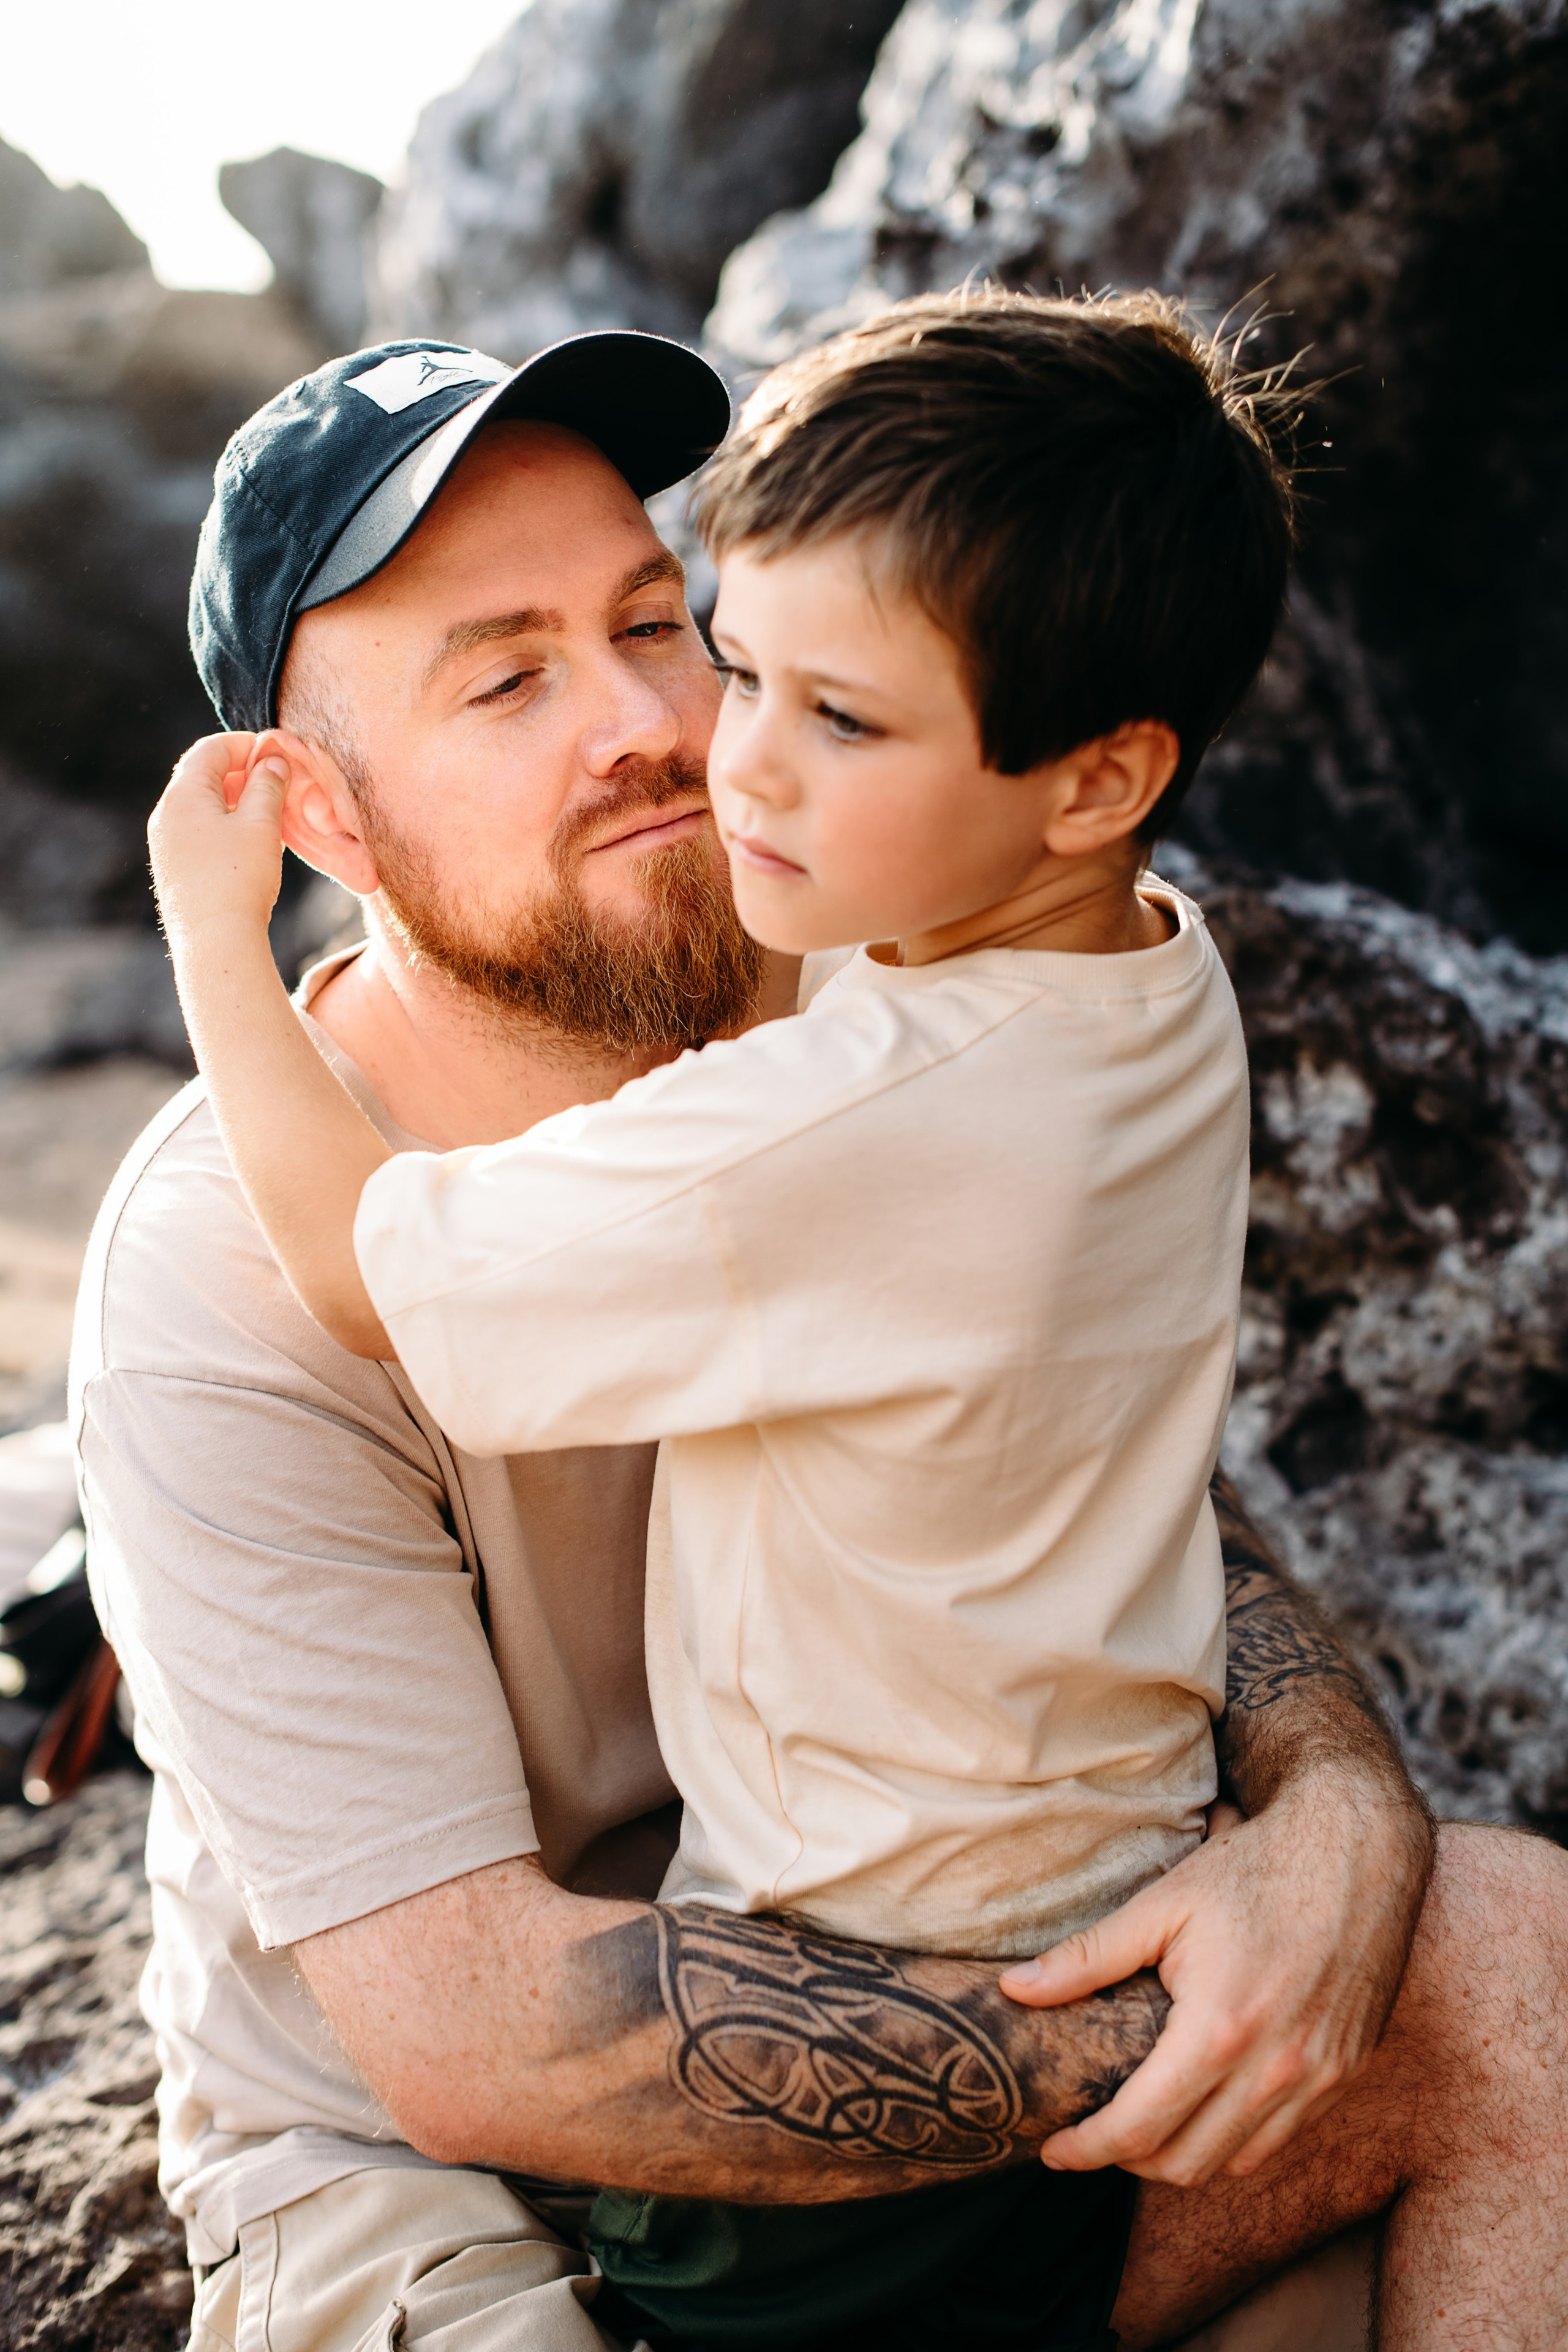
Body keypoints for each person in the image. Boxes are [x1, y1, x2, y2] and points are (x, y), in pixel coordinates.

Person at [76, 328, 1566, 2352]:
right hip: (446, 2161)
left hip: (878, 1990)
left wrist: (1337, 1824)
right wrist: (1194, 2024)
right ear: (315, 824)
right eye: (507, 678)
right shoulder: (214, 1286)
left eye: (657, 622)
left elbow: (1092, 1467)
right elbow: (482, 2043)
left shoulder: (877, 976)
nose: (655, 728)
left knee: (1484, 2011)